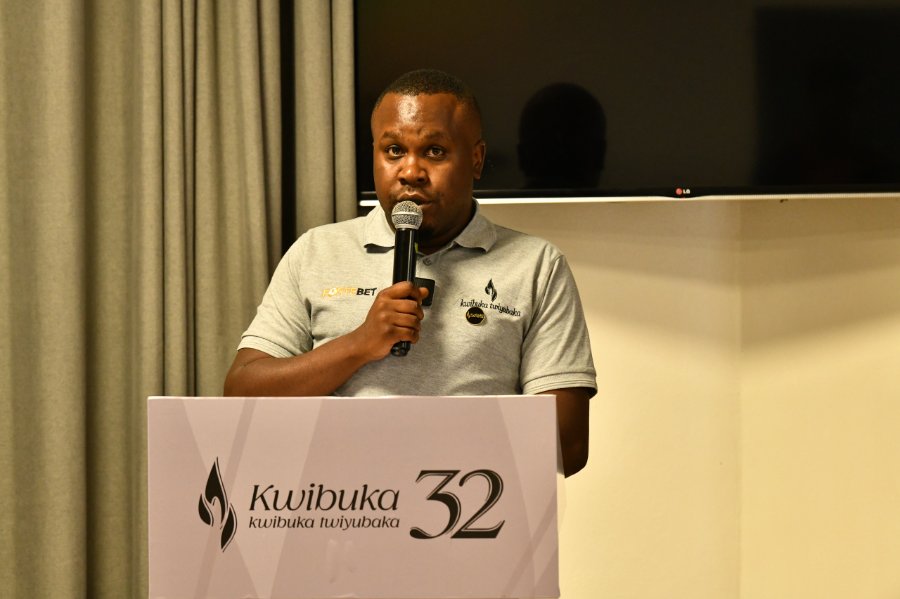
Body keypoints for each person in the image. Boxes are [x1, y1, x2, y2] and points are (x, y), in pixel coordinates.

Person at [224, 69, 596, 476]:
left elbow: (569, 446)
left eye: (434, 151)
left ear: (476, 159)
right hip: (337, 504)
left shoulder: (537, 265)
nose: (411, 171)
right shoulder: (316, 251)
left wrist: (420, 448)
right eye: (394, 150)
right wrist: (359, 344)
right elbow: (242, 395)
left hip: (473, 505)